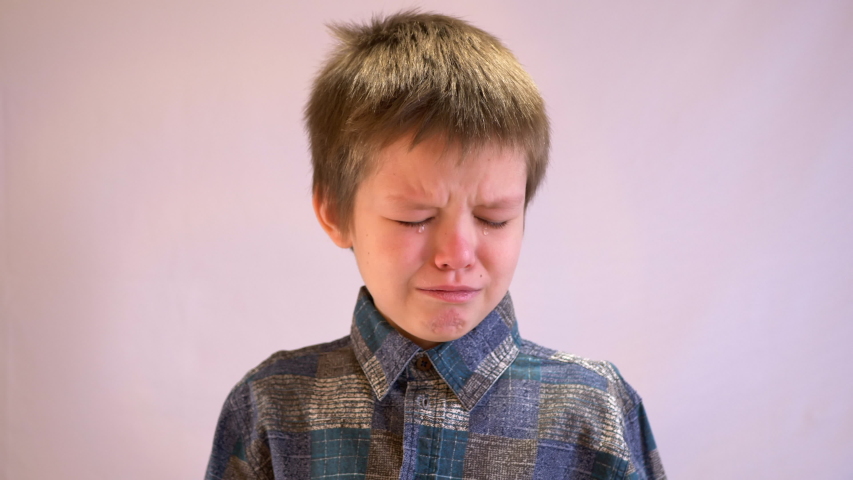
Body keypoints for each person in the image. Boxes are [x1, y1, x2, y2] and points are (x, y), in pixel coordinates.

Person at [205, 11, 666, 480]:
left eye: (494, 218)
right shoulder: (271, 407)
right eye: (415, 219)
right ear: (335, 213)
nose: (458, 254)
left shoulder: (594, 411)